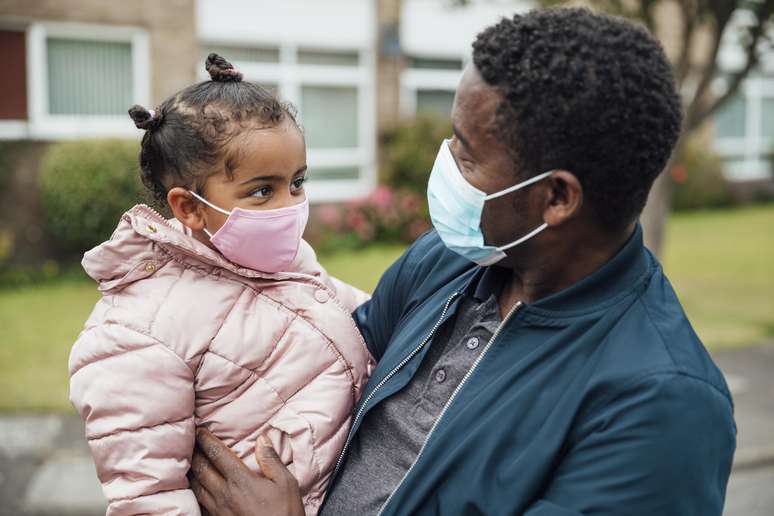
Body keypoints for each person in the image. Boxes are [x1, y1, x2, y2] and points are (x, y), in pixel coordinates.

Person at [189, 9, 736, 516]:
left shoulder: (661, 406)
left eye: (466, 153)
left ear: (556, 198)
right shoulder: (452, 257)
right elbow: (315, 371)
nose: (444, 162)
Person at [68, 54, 374, 516]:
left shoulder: (287, 262)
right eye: (261, 190)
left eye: (297, 183)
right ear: (188, 208)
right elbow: (148, 498)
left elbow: (364, 318)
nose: (290, 205)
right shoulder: (136, 331)